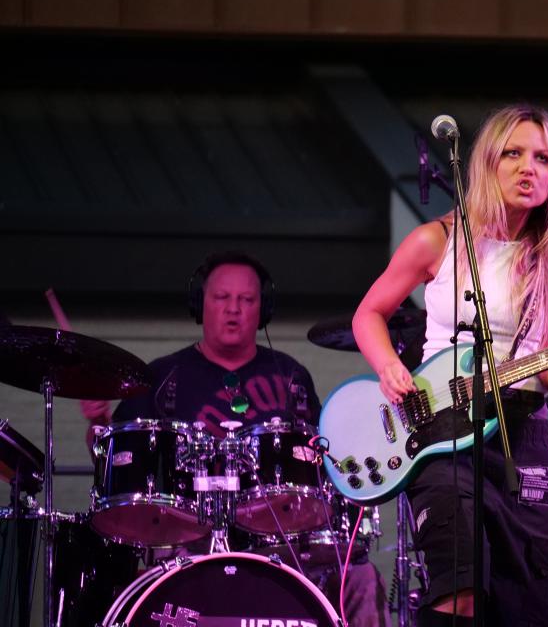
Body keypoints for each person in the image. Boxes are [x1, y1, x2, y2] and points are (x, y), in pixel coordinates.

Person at [351, 105, 548, 626]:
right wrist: (387, 366)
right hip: (442, 429)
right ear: (487, 163)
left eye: (542, 159)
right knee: (460, 586)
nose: (527, 168)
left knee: (529, 605)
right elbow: (369, 314)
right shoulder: (436, 240)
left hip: (522, 435)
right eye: (513, 154)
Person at [81, 251, 391, 627]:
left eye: (246, 299)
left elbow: (322, 458)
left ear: (264, 309)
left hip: (280, 541)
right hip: (186, 540)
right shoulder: (163, 377)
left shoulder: (290, 376)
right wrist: (98, 422)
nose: (233, 309)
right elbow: (118, 458)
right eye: (221, 298)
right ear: (200, 304)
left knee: (361, 579)